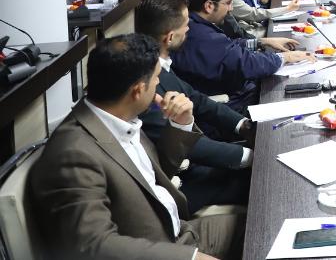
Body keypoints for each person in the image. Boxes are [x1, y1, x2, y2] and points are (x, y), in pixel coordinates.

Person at [30, 32, 243, 260]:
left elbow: (151, 176)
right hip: (161, 249)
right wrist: (191, 258)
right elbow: (92, 245)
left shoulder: (119, 116)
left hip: (181, 233)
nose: (159, 84)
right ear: (138, 90)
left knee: (262, 225)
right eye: (156, 78)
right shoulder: (73, 154)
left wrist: (180, 125)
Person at [136, 0, 253, 213]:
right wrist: (250, 156)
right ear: (169, 37)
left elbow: (198, 100)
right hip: (186, 182)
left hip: (200, 158)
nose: (190, 29)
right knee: (267, 182)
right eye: (186, 25)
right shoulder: (145, 84)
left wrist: (243, 125)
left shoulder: (161, 64)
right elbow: (188, 147)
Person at [172, 0, 314, 113]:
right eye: (228, 3)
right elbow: (247, 63)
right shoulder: (201, 36)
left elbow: (227, 47)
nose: (231, 8)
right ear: (209, 6)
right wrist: (285, 57)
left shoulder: (195, 23)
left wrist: (261, 42)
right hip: (230, 105)